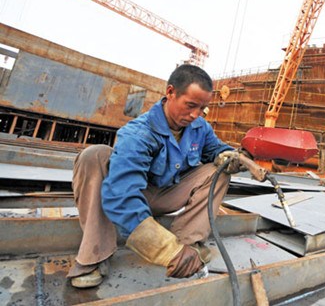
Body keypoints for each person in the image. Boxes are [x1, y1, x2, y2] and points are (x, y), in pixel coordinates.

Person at [67, 64, 243, 288]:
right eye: (190, 106)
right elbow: (122, 194)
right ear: (170, 93)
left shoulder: (200, 128)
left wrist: (228, 155)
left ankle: (188, 244)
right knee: (94, 155)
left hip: (166, 196)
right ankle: (95, 255)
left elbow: (215, 149)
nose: (195, 115)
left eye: (202, 109)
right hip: (136, 194)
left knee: (218, 171)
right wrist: (165, 250)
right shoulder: (139, 133)